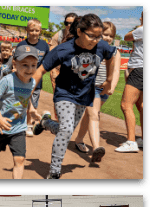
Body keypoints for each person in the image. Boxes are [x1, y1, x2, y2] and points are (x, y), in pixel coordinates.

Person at [28, 14, 117, 179]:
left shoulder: (101, 45)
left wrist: (110, 79)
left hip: (84, 96)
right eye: (91, 36)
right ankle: (54, 170)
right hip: (64, 94)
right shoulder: (64, 49)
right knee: (67, 129)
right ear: (79, 31)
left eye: (98, 36)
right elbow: (40, 71)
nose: (95, 40)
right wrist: (27, 91)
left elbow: (112, 55)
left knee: (65, 130)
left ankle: (45, 122)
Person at [0, 45, 39, 179]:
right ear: (15, 63)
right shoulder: (7, 81)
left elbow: (26, 99)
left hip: (19, 127)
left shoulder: (32, 82)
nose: (30, 69)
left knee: (19, 160)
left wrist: (32, 110)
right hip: (0, 128)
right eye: (25, 65)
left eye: (33, 65)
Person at [74, 21, 121, 162]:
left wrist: (112, 86)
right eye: (105, 34)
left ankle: (79, 139)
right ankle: (96, 148)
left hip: (104, 89)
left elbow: (117, 70)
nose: (108, 38)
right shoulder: (92, 48)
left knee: (89, 116)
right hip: (91, 87)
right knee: (94, 114)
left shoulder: (115, 51)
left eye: (111, 36)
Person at [15, 19, 50, 137]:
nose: (34, 32)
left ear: (40, 31)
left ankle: (29, 124)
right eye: (31, 30)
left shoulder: (44, 45)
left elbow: (47, 61)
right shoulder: (22, 44)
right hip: (22, 79)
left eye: (37, 30)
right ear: (27, 30)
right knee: (22, 101)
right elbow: (16, 60)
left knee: (33, 103)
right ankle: (20, 122)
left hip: (37, 80)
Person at [117, 11, 144, 153]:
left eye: (142, 16)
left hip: (138, 69)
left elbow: (126, 36)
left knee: (126, 105)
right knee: (141, 106)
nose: (140, 18)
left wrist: (140, 25)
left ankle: (131, 141)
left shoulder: (141, 29)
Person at [49, 12, 79, 122]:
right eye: (66, 23)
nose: (69, 25)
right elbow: (51, 54)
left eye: (72, 23)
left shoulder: (80, 35)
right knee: (58, 95)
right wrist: (53, 69)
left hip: (74, 71)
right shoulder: (59, 35)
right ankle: (59, 120)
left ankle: (68, 118)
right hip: (58, 69)